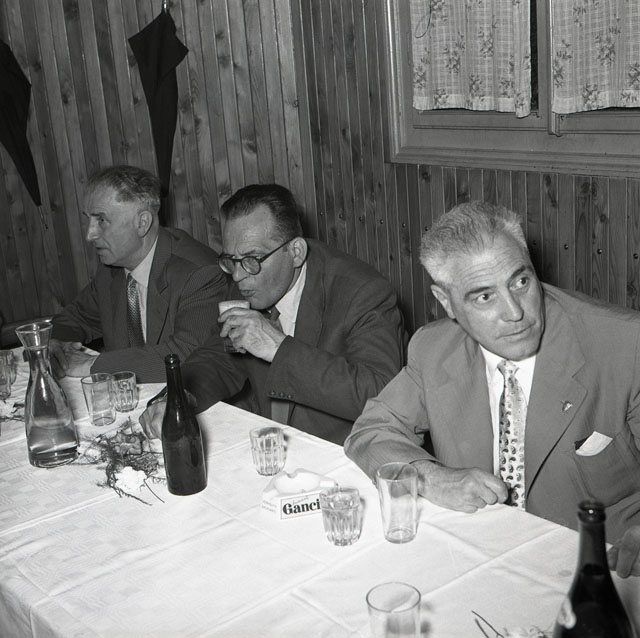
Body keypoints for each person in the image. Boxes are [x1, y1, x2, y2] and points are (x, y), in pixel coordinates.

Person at [345, 200, 640, 578]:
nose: (515, 312)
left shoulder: (624, 343)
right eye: (485, 296)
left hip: (600, 568)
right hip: (477, 557)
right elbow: (371, 431)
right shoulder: (434, 349)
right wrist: (430, 477)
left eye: (521, 282)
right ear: (446, 302)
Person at [140, 183, 406, 445]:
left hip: (343, 452)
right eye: (230, 260)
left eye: (252, 259)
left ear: (296, 252)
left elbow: (381, 394)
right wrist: (180, 396)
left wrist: (278, 348)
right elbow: (219, 357)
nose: (238, 275)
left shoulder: (363, 293)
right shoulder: (244, 279)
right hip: (267, 445)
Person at [50, 165, 228, 383]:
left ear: (142, 223)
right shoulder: (111, 269)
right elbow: (75, 318)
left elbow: (188, 355)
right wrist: (55, 345)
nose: (90, 234)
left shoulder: (199, 273)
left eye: (101, 220)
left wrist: (90, 365)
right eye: (88, 219)